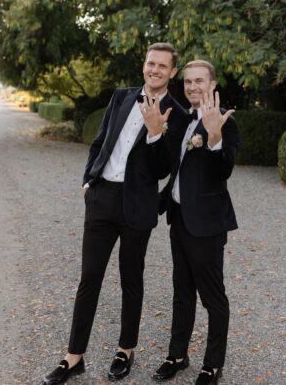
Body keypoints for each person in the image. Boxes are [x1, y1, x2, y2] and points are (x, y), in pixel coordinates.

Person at [43, 43, 187, 385]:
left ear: (173, 72)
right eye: (151, 63)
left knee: (131, 279)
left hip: (138, 205)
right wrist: (87, 181)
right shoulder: (121, 97)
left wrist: (155, 134)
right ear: (145, 65)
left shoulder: (176, 114)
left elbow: (165, 169)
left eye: (162, 66)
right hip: (102, 197)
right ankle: (73, 356)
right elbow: (100, 142)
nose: (155, 70)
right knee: (89, 277)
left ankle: (126, 349)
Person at [152, 60, 239, 385]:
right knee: (181, 293)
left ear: (212, 84)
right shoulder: (184, 121)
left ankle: (212, 365)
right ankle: (177, 355)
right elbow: (177, 171)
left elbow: (222, 173)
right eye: (188, 82)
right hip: (179, 221)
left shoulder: (226, 121)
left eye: (199, 81)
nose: (192, 87)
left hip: (206, 226)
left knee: (213, 297)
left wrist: (214, 139)